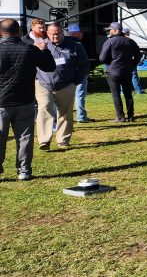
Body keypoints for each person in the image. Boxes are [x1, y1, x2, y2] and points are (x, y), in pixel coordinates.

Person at [0, 18, 56, 180]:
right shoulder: (30, 50)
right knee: (25, 137)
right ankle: (24, 170)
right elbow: (49, 67)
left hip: (2, 101)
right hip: (25, 100)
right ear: (19, 32)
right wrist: (44, 50)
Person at [35, 23, 90, 150]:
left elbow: (84, 65)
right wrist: (35, 79)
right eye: (52, 34)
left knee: (65, 112)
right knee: (44, 110)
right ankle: (44, 141)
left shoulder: (75, 46)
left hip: (66, 85)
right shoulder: (40, 46)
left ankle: (63, 140)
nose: (55, 36)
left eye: (58, 33)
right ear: (47, 34)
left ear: (62, 32)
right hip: (44, 84)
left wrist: (75, 81)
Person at [98, 22, 142, 123]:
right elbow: (138, 56)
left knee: (116, 95)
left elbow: (102, 59)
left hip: (113, 72)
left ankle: (120, 117)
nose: (109, 31)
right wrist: (132, 65)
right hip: (127, 71)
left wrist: (110, 62)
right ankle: (131, 116)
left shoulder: (110, 42)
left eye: (110, 29)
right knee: (128, 94)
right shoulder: (130, 41)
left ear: (114, 30)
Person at [67, 24, 91, 122]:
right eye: (81, 32)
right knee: (80, 95)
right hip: (79, 73)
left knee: (66, 96)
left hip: (66, 73)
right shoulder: (79, 44)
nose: (82, 34)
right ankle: (81, 117)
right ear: (76, 33)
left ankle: (66, 117)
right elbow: (84, 61)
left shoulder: (63, 42)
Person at [123, 29, 147, 94]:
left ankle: (123, 91)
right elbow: (137, 51)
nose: (129, 33)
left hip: (121, 61)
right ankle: (139, 91)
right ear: (126, 33)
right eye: (128, 32)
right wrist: (136, 60)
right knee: (134, 76)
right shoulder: (131, 41)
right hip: (130, 61)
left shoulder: (117, 40)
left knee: (123, 76)